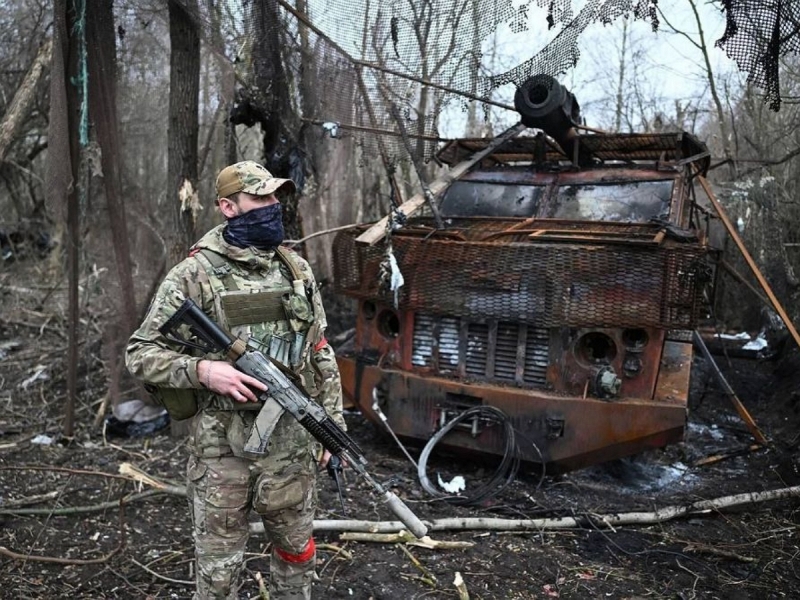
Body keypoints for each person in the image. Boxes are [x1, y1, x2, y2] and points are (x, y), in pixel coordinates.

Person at [126, 160, 345, 600]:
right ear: (228, 206)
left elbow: (319, 350)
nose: (272, 206)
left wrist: (331, 428)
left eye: (274, 197)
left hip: (292, 444)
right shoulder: (194, 274)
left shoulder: (295, 271)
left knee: (297, 555)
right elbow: (140, 353)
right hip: (222, 450)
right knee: (219, 573)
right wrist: (205, 372)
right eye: (259, 198)